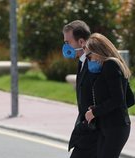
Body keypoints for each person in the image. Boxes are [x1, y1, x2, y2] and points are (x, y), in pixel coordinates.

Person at [84, 33, 135, 158]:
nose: (89, 60)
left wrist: (96, 111)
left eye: (89, 56)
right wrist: (103, 108)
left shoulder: (110, 65)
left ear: (98, 51)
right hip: (112, 126)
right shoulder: (114, 65)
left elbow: (118, 99)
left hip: (115, 128)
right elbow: (129, 99)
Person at [62, 20, 99, 158]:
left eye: (68, 42)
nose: (65, 46)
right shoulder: (82, 61)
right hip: (86, 127)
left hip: (95, 128)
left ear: (82, 42)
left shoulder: (94, 64)